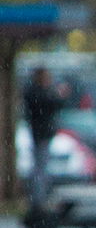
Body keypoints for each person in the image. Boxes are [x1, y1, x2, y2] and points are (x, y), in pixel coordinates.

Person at [23, 67, 63, 208]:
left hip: (41, 134)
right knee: (41, 169)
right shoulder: (37, 93)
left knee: (40, 168)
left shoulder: (35, 92)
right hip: (41, 135)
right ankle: (39, 200)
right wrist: (58, 94)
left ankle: (39, 198)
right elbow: (52, 104)